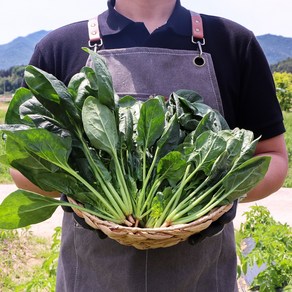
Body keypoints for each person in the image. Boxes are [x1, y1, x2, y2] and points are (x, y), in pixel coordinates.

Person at [10, 0, 288, 291]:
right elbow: (23, 163)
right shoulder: (60, 47)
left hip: (201, 276)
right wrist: (81, 184)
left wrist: (215, 197)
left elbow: (272, 156)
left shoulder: (233, 43)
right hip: (94, 277)